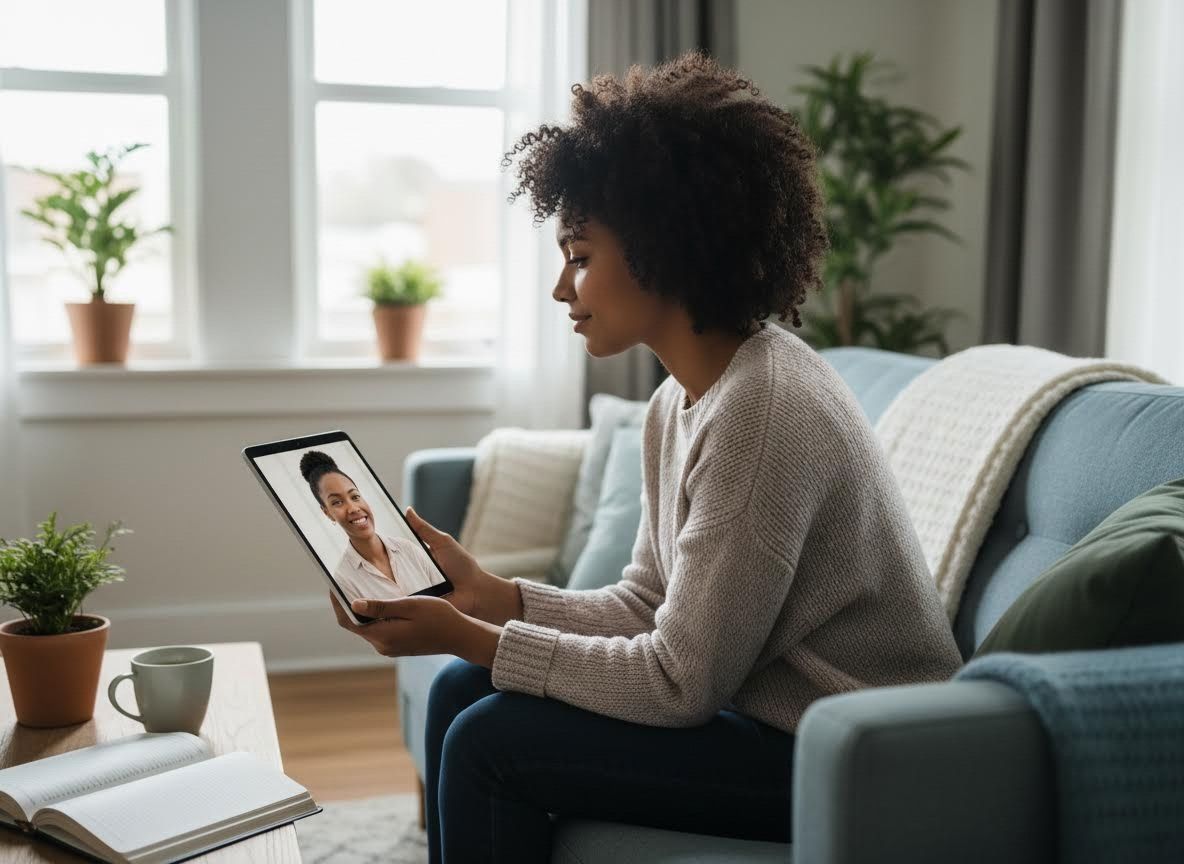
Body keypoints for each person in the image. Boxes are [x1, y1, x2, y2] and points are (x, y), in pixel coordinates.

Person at [329, 52, 963, 863]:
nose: (562, 289)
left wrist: (472, 633)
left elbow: (679, 681)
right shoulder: (681, 401)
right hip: (772, 720)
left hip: (854, 754)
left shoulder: (765, 409)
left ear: (666, 246)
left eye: (580, 256)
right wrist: (490, 596)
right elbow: (648, 603)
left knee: (491, 739)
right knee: (461, 687)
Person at [298, 450, 438, 600]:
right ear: (327, 513)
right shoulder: (344, 580)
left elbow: (449, 600)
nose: (353, 508)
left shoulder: (410, 549)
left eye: (355, 496)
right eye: (337, 502)